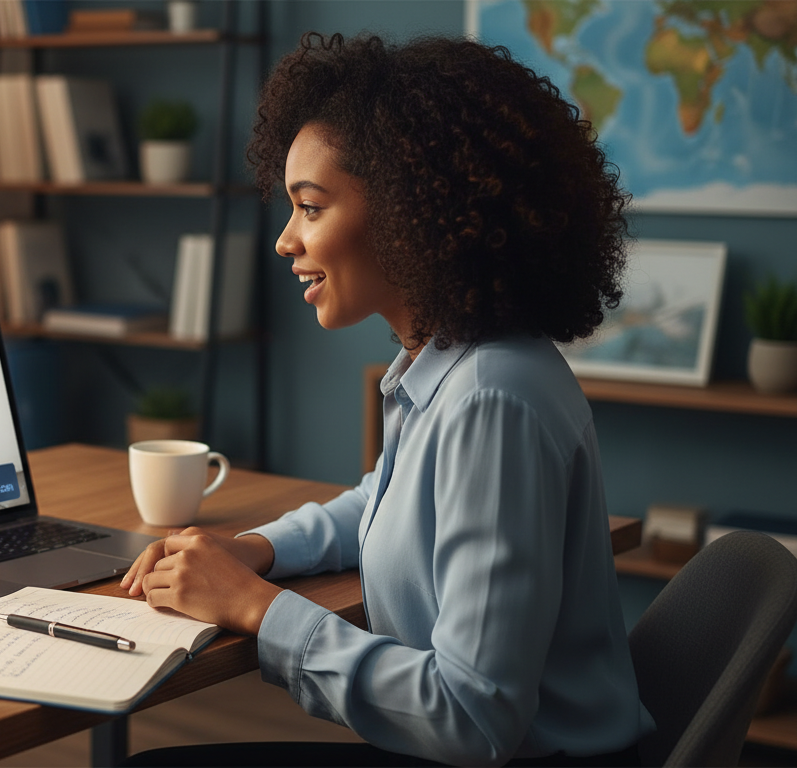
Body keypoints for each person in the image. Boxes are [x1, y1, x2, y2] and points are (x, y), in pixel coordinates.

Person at [120, 33, 653, 767]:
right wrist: (254, 550)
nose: (285, 240)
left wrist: (254, 606)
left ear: (408, 210)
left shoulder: (490, 399)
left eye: (310, 208)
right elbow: (386, 501)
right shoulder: (453, 361)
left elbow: (474, 715)